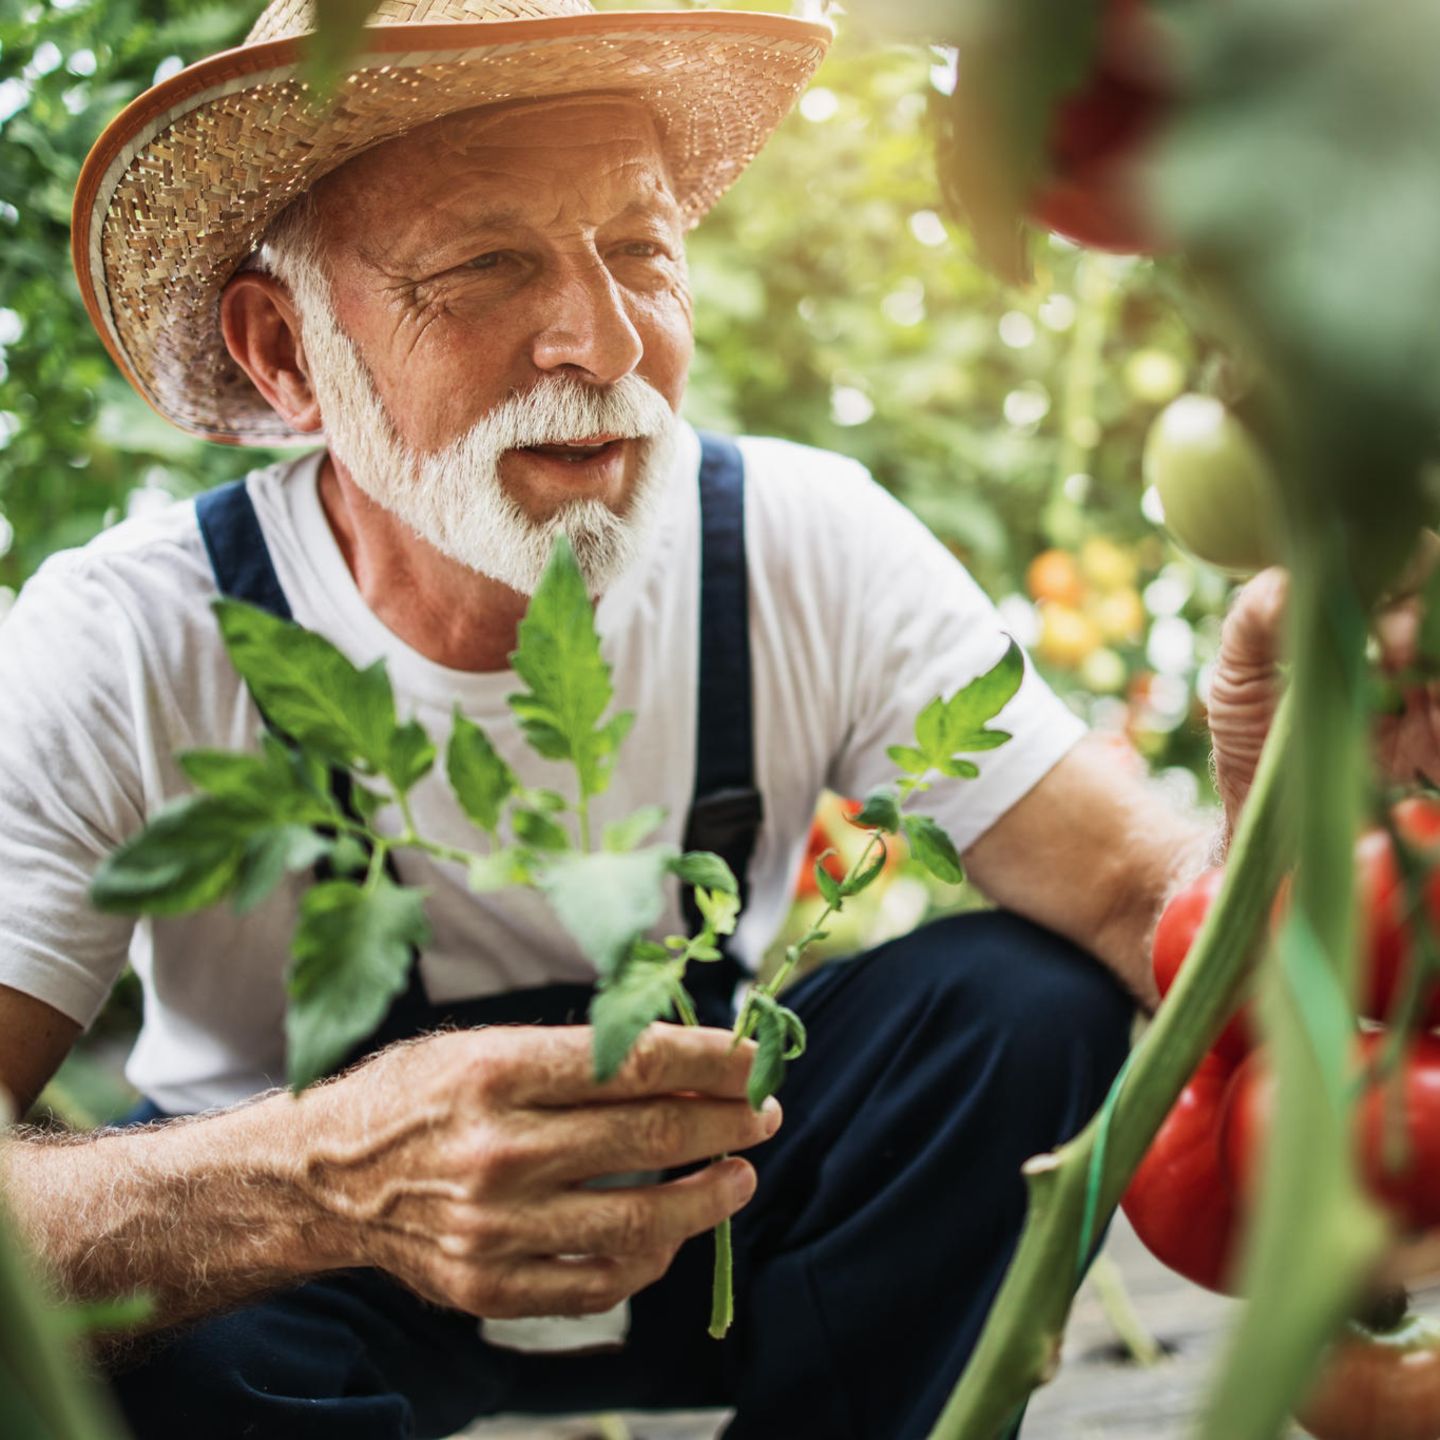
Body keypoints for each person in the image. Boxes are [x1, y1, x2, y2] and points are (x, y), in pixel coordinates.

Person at [0, 0, 1316, 1435]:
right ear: (286, 353)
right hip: (305, 1298)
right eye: (488, 263)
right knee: (142, 1322)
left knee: (1015, 1009)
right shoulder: (127, 637)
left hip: (727, 1233)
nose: (605, 336)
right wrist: (318, 1176)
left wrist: (1291, 785)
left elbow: (1143, 900)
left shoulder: (804, 544)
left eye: (640, 251)